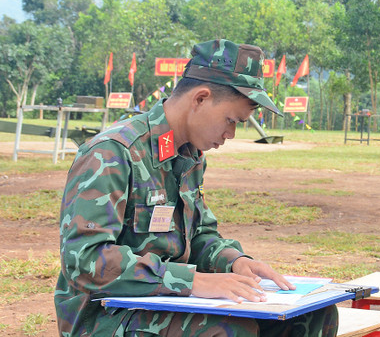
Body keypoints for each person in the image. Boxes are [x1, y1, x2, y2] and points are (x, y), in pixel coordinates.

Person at [55, 39, 338, 337]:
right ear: (200, 99)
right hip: (105, 317)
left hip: (168, 303)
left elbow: (199, 235)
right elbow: (83, 260)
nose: (230, 134)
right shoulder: (112, 153)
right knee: (229, 329)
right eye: (231, 120)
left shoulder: (190, 156)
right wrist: (192, 282)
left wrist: (235, 262)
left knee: (315, 316)